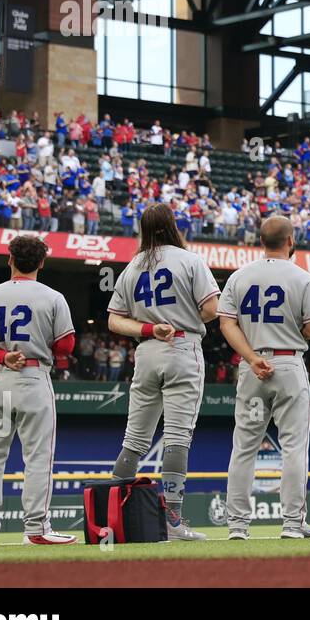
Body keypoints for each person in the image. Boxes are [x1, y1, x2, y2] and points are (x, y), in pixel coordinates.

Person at [107, 203, 220, 541]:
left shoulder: (132, 266)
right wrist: (182, 318)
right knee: (177, 439)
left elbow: (113, 319)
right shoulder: (189, 259)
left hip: (146, 352)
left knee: (133, 441)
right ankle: (173, 521)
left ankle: (114, 519)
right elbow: (211, 309)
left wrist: (148, 329)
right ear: (172, 225)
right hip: (182, 348)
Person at [0, 235, 78, 546]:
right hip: (33, 376)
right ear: (42, 262)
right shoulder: (53, 297)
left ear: (9, 258)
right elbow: (66, 345)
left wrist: (1, 355)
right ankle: (35, 530)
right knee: (38, 458)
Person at [218, 216, 310, 540]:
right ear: (290, 240)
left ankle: (237, 526)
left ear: (260, 241)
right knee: (294, 448)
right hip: (289, 365)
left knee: (244, 447)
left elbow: (226, 323)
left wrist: (251, 358)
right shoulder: (303, 277)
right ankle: (292, 525)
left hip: (253, 368)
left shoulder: (239, 275)